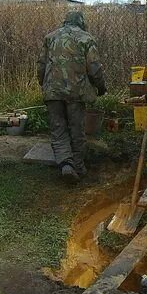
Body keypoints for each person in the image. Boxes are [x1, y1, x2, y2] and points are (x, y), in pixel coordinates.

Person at [38, 11, 106, 182]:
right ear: (81, 22)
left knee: (58, 129)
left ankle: (65, 165)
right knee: (77, 130)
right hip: (76, 93)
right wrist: (101, 87)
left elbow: (41, 65)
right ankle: (79, 167)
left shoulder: (50, 38)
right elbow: (94, 68)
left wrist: (43, 83)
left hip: (52, 92)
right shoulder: (86, 38)